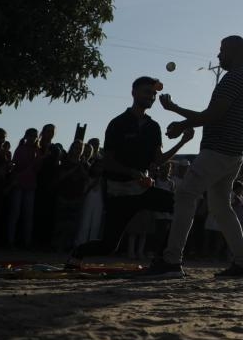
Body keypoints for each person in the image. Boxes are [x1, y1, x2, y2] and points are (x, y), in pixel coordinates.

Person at [147, 35, 243, 278]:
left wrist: (178, 115)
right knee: (221, 208)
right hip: (232, 152)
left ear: (236, 52)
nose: (218, 55)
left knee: (186, 194)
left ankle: (172, 260)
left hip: (218, 150)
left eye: (223, 50)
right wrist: (181, 118)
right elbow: (215, 115)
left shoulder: (235, 78)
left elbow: (213, 114)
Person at [65, 77, 193, 268]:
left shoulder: (153, 127)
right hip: (119, 191)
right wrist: (131, 172)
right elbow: (107, 161)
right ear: (134, 93)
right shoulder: (118, 123)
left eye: (153, 94)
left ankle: (165, 258)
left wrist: (183, 142)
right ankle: (77, 254)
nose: (151, 97)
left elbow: (157, 160)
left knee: (180, 206)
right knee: (108, 246)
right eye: (147, 92)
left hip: (142, 189)